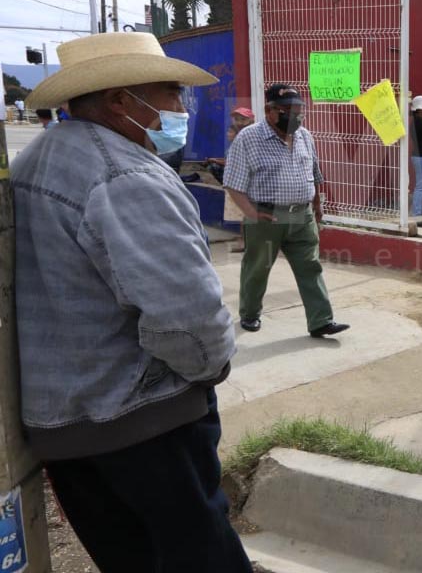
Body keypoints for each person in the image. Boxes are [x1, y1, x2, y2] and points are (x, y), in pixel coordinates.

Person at [14, 32, 253, 572]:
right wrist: (211, 369)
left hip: (65, 427)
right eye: (170, 92)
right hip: (143, 420)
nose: (181, 108)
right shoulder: (127, 176)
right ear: (122, 100)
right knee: (201, 557)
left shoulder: (38, 161)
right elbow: (188, 320)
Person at [224, 84, 349, 338]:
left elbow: (313, 172)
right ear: (269, 111)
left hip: (302, 216)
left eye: (299, 109)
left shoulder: (304, 135)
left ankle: (321, 321)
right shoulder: (248, 139)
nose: (295, 115)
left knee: (310, 266)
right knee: (257, 268)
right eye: (287, 110)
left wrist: (316, 205)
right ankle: (249, 314)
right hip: (266, 216)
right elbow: (233, 182)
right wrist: (251, 213)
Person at [222, 107, 255, 253]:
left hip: (250, 180)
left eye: (243, 119)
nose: (240, 122)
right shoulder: (237, 138)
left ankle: (247, 241)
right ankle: (244, 240)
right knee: (243, 212)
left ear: (251, 120)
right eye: (237, 119)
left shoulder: (253, 136)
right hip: (237, 181)